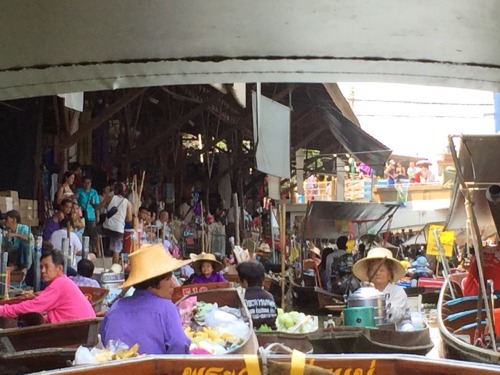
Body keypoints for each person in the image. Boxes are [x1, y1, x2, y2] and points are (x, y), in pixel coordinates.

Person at [100, 243, 192, 354]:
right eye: (168, 279)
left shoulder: (116, 307)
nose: (173, 284)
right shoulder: (167, 308)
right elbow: (180, 346)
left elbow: (104, 342)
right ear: (155, 283)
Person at [0, 248, 95, 323]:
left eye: (47, 267)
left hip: (76, 330)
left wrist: (3, 309)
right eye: (41, 267)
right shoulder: (63, 282)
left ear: (59, 268)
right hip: (79, 328)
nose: (42, 271)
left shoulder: (60, 284)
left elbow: (32, 306)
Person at [352, 247, 411, 325]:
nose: (377, 273)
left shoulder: (398, 291)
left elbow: (395, 317)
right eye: (373, 270)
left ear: (390, 274)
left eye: (382, 270)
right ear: (368, 274)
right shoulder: (364, 293)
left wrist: (377, 298)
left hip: (397, 332)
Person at [96, 182, 133, 264]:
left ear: (115, 189)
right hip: (119, 229)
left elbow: (98, 207)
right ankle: (114, 269)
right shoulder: (128, 203)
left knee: (96, 231)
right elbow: (129, 219)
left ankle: (98, 251)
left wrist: (93, 205)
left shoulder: (110, 198)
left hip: (107, 227)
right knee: (116, 250)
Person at [236, 261, 277, 330]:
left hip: (249, 335)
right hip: (268, 333)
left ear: (245, 282)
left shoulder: (242, 298)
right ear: (263, 280)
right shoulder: (270, 297)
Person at [3, 210, 35, 275]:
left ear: (14, 220)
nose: (5, 221)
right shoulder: (6, 231)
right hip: (14, 256)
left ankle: (22, 267)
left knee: (23, 244)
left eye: (7, 219)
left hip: (26, 255)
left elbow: (28, 238)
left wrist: (15, 235)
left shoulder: (24, 228)